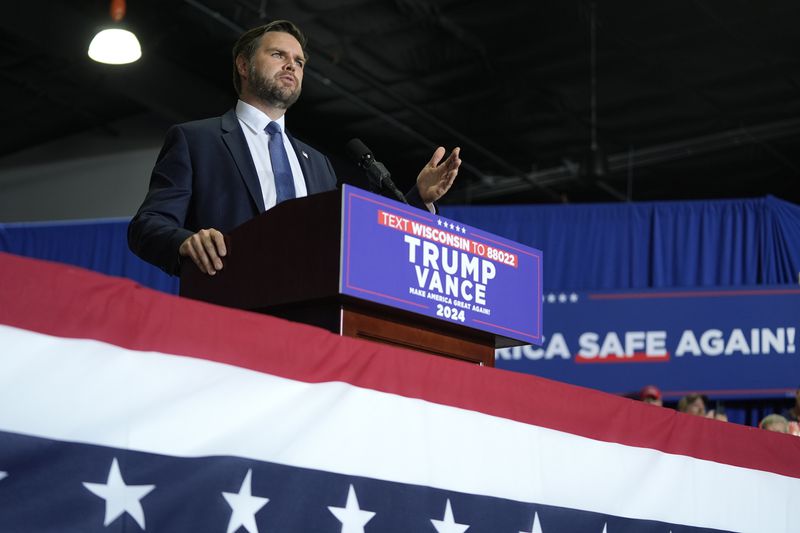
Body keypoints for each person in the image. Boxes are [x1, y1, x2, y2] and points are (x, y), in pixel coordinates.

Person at [128, 20, 462, 276]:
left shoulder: (318, 163)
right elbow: (148, 225)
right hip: (227, 311)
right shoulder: (197, 139)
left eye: (299, 62)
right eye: (278, 55)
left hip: (309, 322)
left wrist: (418, 200)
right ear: (244, 66)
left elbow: (354, 243)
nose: (292, 66)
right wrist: (185, 242)